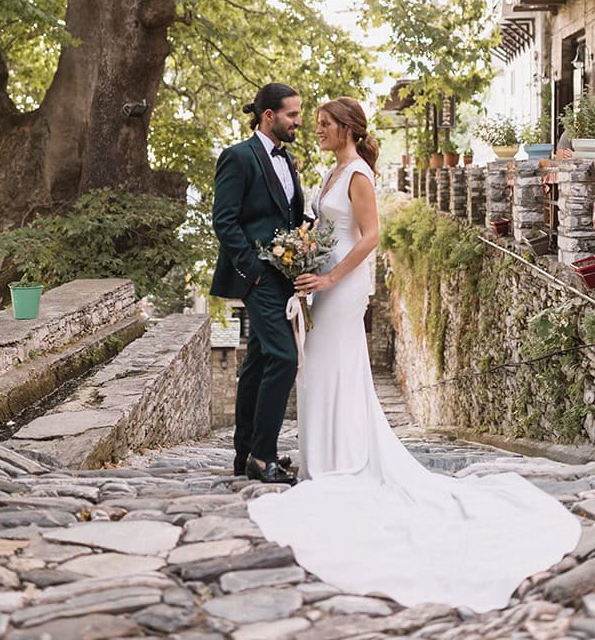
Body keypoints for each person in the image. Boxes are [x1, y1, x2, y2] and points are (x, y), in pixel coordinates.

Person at [248, 96, 581, 612]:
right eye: (313, 124)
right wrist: (302, 255)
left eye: (324, 125)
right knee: (323, 366)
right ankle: (329, 457)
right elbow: (325, 228)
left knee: (336, 362)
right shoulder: (336, 170)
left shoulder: (358, 173)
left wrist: (332, 276)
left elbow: (371, 236)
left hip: (344, 281)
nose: (316, 131)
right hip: (323, 279)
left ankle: (344, 461)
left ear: (347, 129)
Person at [210, 83, 304, 485]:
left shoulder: (288, 160)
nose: (298, 122)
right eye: (292, 115)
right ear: (269, 116)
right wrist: (255, 269)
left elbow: (289, 217)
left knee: (259, 362)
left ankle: (245, 453)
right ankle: (262, 456)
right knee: (285, 358)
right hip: (258, 276)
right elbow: (224, 220)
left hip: (285, 277)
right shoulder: (237, 157)